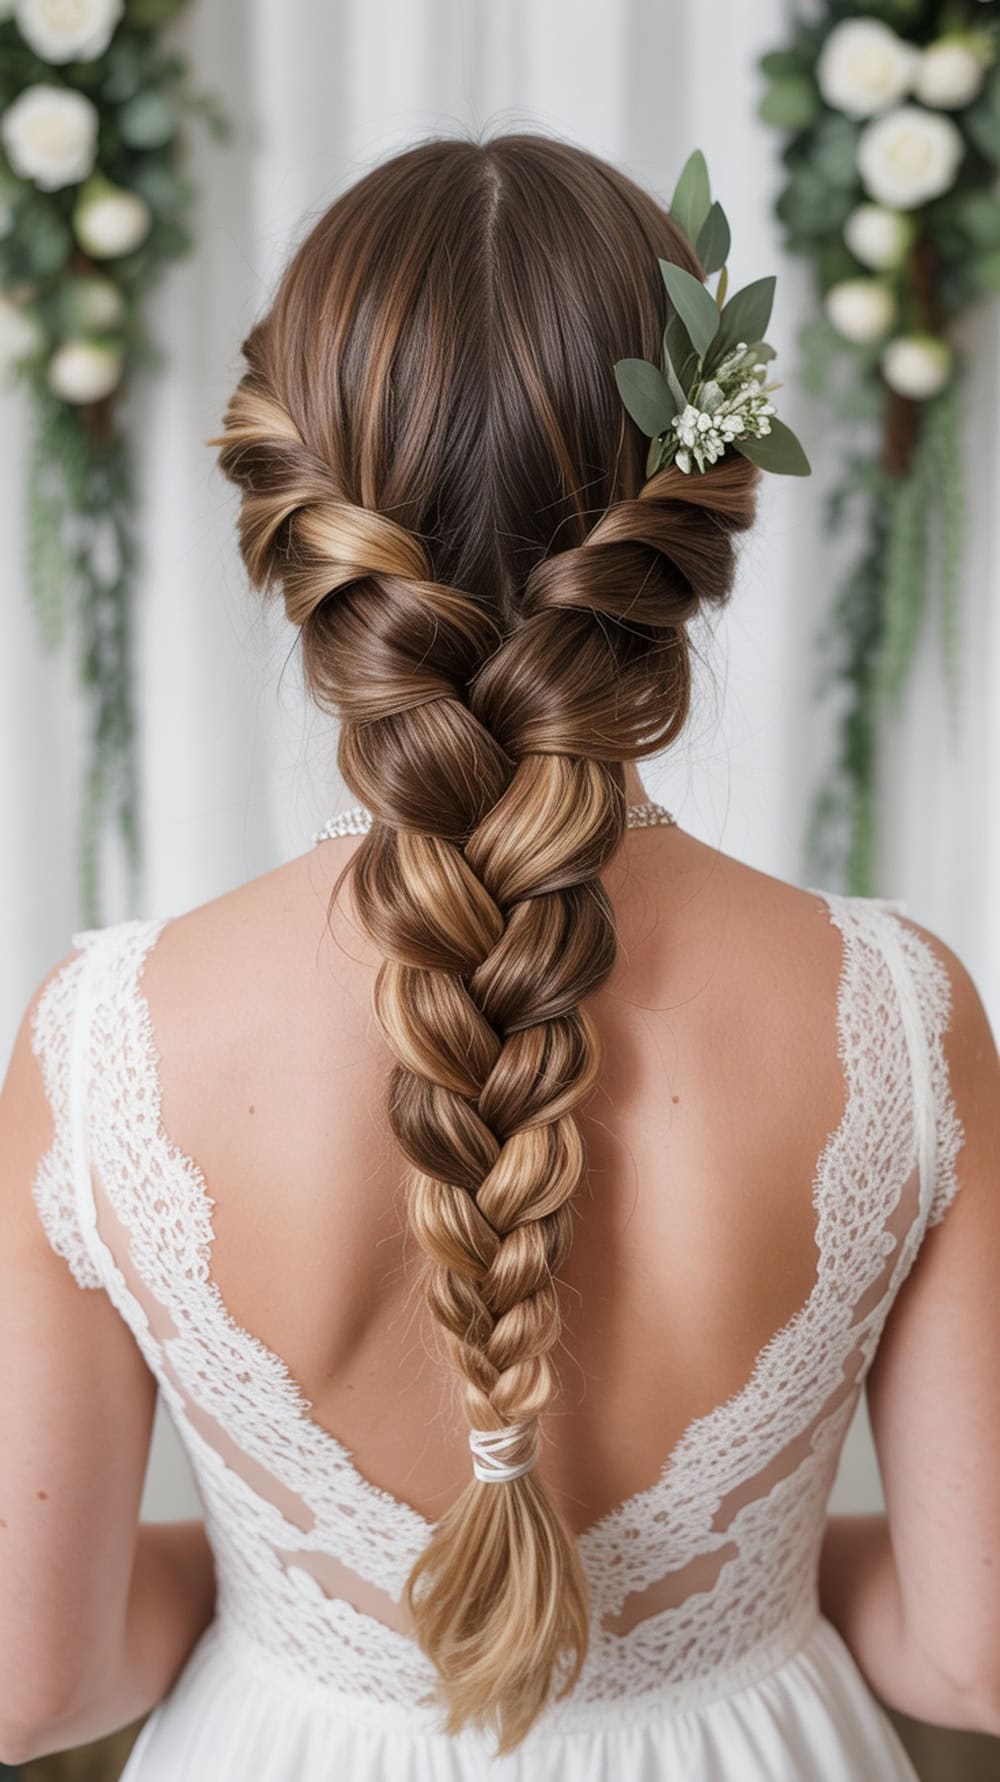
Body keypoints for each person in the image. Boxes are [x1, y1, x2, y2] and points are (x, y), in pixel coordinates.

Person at [1, 131, 998, 1782]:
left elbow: (31, 1687)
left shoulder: (106, 1039)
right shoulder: (899, 1011)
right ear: (687, 515)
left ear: (298, 521)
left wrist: (285, 1589)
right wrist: (736, 1580)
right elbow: (973, 1651)